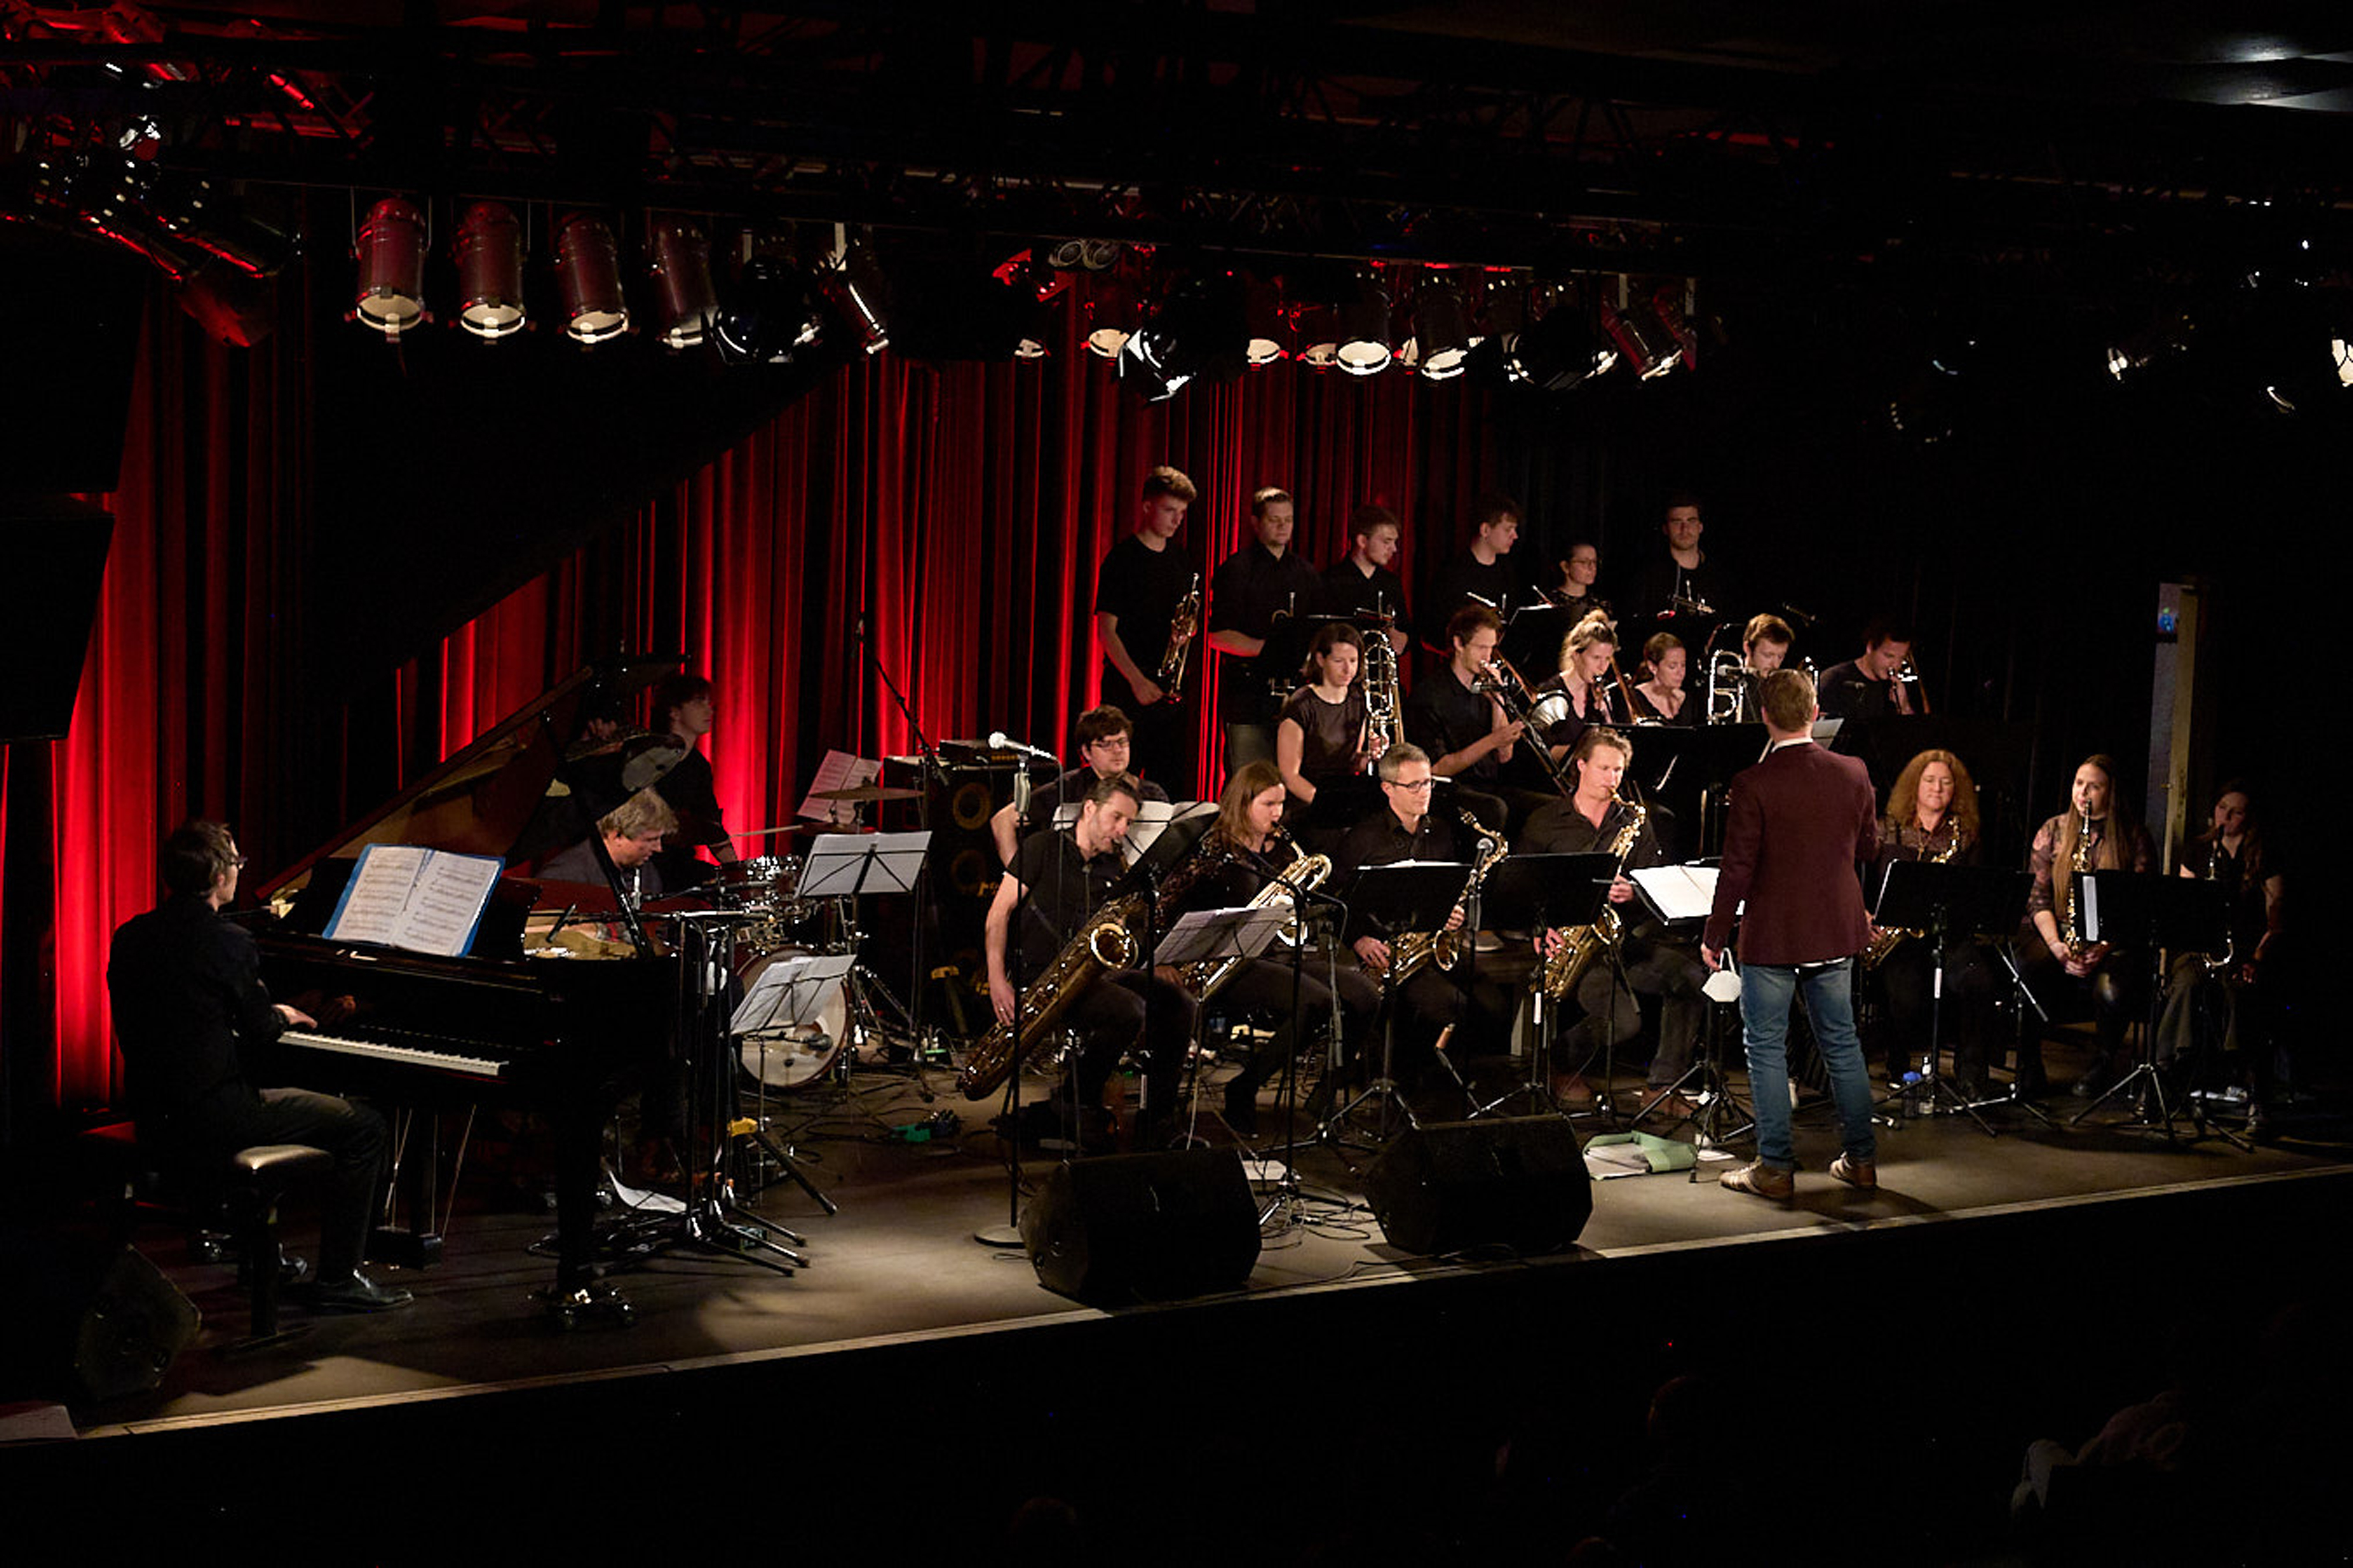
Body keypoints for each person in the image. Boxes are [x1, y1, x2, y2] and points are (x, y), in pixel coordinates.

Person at [107, 822, 412, 1312]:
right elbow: (260, 1030)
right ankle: (338, 1280)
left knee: (273, 1097)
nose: (239, 871)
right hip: (214, 1116)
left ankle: (257, 1250)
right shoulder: (229, 941)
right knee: (366, 1127)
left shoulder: (131, 935)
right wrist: (283, 1013)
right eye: (236, 863)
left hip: (151, 1110)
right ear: (219, 876)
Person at [1701, 669, 1880, 1197]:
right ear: (1815, 713)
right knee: (1841, 1044)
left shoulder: (1752, 782)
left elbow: (1737, 869)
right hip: (1834, 929)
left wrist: (1714, 934)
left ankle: (1775, 1169)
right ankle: (1862, 1162)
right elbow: (1868, 848)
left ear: (1764, 717)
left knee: (1765, 1048)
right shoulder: (1853, 771)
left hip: (1775, 933)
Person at [985, 774, 1197, 1147]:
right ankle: (1073, 1102)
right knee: (1128, 1011)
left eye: (1129, 823)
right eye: (1117, 818)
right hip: (1042, 975)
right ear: (1089, 809)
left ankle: (1158, 1120)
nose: (1122, 830)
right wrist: (997, 980)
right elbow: (998, 915)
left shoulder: (1113, 867)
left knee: (1179, 1003)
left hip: (1091, 974)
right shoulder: (1043, 847)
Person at [1183, 762, 1380, 1134]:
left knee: (1365, 995)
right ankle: (1245, 1087)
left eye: (1281, 804)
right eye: (1269, 805)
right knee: (1316, 1001)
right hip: (1233, 961)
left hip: (1280, 953)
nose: (1278, 814)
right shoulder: (1215, 850)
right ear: (1243, 804)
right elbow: (1189, 907)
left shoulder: (1284, 850)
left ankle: (1326, 1093)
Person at [1524, 729, 1708, 1112]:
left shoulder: (1634, 821)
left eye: (1619, 770)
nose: (1612, 778)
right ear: (1581, 766)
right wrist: (1539, 930)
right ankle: (1558, 1064)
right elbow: (1522, 890)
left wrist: (1634, 892)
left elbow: (1655, 885)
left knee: (1691, 980)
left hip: (1622, 941)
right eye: (1604, 768)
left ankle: (1662, 1088)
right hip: (1573, 946)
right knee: (1622, 1023)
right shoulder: (1545, 822)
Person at [1331, 744, 1497, 1095]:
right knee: (1449, 1004)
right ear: (1388, 788)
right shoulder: (1363, 839)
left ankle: (1432, 1074)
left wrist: (1452, 914)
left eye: (1428, 783)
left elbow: (1446, 890)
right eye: (1414, 786)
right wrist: (1359, 939)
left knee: (1492, 999)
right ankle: (1409, 1077)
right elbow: (1336, 905)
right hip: (1385, 954)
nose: (1425, 793)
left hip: (1430, 946)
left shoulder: (1441, 832)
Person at [2021, 754, 2156, 1099]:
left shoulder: (2133, 836)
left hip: (2113, 938)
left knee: (2111, 989)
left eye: (2095, 786)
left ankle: (2103, 1064)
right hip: (2059, 932)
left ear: (2111, 792)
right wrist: (2057, 946)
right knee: (2027, 967)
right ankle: (2029, 1065)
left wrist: (2103, 947)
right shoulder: (2053, 830)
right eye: (2080, 783)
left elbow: (2139, 905)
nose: (2084, 793)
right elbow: (2038, 899)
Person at [1867, 749, 2000, 1096]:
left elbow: (1976, 894)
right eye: (1929, 780)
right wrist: (1862, 914)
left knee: (1978, 981)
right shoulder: (1886, 829)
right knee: (1906, 995)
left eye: (1946, 782)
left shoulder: (1965, 835)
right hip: (1898, 938)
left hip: (1948, 934)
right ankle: (1899, 1067)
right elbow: (1855, 875)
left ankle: (1971, 1075)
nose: (1937, 789)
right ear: (1915, 785)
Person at [2154, 782, 2283, 1134]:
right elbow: (2185, 908)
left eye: (2236, 811)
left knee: (2240, 992)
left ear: (2249, 818)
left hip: (2244, 951)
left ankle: (2254, 1091)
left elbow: (2277, 918)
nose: (2226, 816)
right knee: (2185, 985)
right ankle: (2168, 1074)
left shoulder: (2264, 855)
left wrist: (2256, 958)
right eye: (2223, 807)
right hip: (2201, 948)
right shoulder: (2198, 850)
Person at [1207, 485, 1328, 774]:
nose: (1283, 527)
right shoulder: (1236, 570)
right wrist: (1272, 650)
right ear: (1256, 523)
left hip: (1298, 694)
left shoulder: (1307, 574)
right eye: (1275, 520)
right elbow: (1216, 636)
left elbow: (1320, 631)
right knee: (1250, 777)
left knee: (1296, 778)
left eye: (1288, 520)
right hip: (1249, 694)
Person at [1092, 465, 1200, 789]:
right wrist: (1137, 681)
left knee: (1169, 784)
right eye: (1169, 511)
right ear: (1147, 507)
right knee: (1118, 784)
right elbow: (1107, 630)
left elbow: (1188, 623)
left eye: (1182, 513)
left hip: (1168, 691)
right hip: (1127, 688)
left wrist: (1184, 635)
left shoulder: (1182, 561)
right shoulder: (1122, 560)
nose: (1177, 520)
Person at [989, 705, 1170, 868]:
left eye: (1122, 742)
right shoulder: (1069, 787)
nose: (1117, 750)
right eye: (1106, 745)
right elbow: (1003, 821)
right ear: (1087, 752)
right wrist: (1020, 878)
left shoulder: (1152, 793)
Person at [1403, 603, 1525, 831]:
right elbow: (1437, 769)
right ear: (1459, 644)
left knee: (1544, 808)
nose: (1487, 657)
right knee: (1496, 809)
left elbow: (1505, 755)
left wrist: (1497, 703)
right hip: (1450, 791)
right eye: (1481, 648)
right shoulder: (1429, 695)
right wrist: (1492, 741)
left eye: (1492, 649)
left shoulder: (1486, 690)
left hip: (1489, 787)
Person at [1274, 621, 1370, 844]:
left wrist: (1371, 757)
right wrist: (1327, 805)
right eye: (1339, 661)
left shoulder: (1359, 700)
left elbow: (1353, 763)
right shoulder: (1301, 705)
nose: (1348, 669)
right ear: (1320, 660)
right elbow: (1290, 776)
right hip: (1307, 804)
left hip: (1343, 800)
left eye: (1353, 661)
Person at [649, 672, 744, 892]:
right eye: (699, 702)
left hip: (679, 863)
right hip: (645, 862)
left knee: (721, 888)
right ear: (674, 712)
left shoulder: (699, 766)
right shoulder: (648, 757)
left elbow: (711, 827)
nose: (709, 711)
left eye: (709, 704)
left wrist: (738, 874)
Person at [537, 788, 678, 910]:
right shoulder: (562, 877)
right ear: (617, 835)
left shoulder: (648, 873)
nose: (659, 849)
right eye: (650, 840)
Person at [1527, 608, 1623, 774]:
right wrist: (1590, 749)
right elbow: (1544, 753)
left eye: (1607, 659)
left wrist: (1606, 714)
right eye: (1596, 658)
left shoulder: (1598, 694)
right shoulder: (1551, 692)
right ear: (1576, 655)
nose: (1602, 667)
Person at [1425, 492, 1535, 626]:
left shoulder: (1508, 573)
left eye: (1515, 530)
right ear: (1485, 530)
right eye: (1508, 530)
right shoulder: (1453, 575)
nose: (1515, 536)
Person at [1321, 503, 1414, 655]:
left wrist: (1405, 639)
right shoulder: (1331, 581)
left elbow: (1406, 629)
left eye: (1394, 542)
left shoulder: (1391, 583)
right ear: (1363, 541)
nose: (1394, 549)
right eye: (1387, 542)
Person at [1629, 492, 1726, 624]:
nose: (1685, 529)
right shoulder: (1648, 578)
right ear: (1665, 529)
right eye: (1677, 522)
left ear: (1700, 527)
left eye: (1691, 521)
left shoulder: (1719, 577)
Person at [1818, 619, 1918, 725]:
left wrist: (1904, 707)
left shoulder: (1896, 686)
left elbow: (1914, 732)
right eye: (1889, 656)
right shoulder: (1835, 680)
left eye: (1902, 658)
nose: (1896, 665)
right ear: (1870, 648)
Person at [1629, 632, 1693, 725]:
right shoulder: (1635, 699)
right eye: (1672, 667)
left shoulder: (1686, 700)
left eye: (1683, 665)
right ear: (1653, 667)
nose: (1681, 673)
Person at [1550, 540, 1608, 620]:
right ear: (1565, 567)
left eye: (1594, 562)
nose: (1592, 568)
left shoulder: (1600, 604)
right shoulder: (1551, 604)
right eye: (1584, 562)